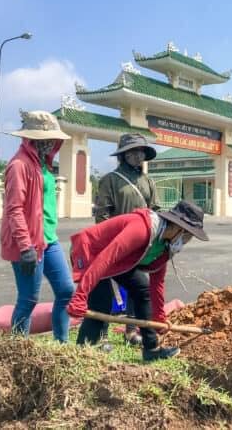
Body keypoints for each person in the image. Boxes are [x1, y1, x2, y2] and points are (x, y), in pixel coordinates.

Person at [66, 201, 208, 362]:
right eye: (188, 235)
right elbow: (105, 259)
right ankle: (82, 354)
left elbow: (157, 282)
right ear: (177, 228)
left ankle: (151, 349)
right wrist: (80, 295)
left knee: (142, 290)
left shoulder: (165, 245)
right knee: (101, 303)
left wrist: (158, 317)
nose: (187, 241)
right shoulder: (141, 229)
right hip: (92, 251)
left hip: (120, 259)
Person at [0, 110, 75, 342]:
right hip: (28, 244)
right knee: (28, 299)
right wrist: (25, 247)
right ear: (33, 139)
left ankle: (61, 345)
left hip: (48, 239)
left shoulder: (44, 164)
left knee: (66, 291)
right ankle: (18, 350)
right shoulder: (19, 165)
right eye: (46, 139)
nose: (50, 143)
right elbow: (14, 209)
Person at [94, 133, 159, 346]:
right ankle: (101, 334)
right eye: (132, 151)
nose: (137, 155)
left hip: (141, 243)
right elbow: (102, 215)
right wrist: (110, 241)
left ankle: (131, 330)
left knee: (138, 287)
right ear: (123, 155)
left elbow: (155, 211)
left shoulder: (148, 181)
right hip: (115, 242)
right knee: (105, 288)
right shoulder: (110, 180)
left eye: (140, 151)